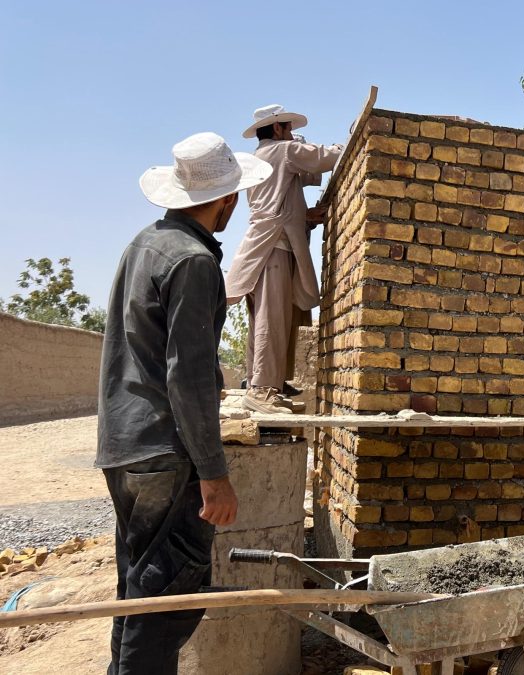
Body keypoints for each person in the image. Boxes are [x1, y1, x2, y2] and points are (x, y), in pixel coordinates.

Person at [97, 131, 272, 674]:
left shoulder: (144, 245)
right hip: (165, 452)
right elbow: (188, 378)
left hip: (126, 446)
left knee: (141, 587)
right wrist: (214, 475)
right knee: (169, 595)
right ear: (228, 198)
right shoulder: (195, 261)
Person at [225, 104, 342, 414]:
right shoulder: (282, 151)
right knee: (271, 319)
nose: (293, 134)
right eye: (288, 129)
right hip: (273, 247)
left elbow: (279, 203)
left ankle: (267, 381)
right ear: (277, 129)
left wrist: (305, 217)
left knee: (275, 317)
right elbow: (325, 157)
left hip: (272, 245)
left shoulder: (264, 158)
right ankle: (262, 389)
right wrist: (356, 138)